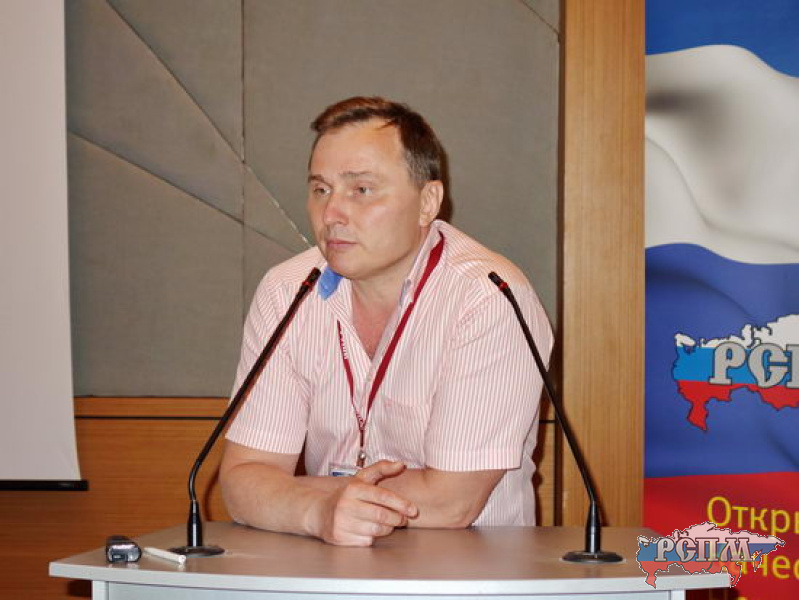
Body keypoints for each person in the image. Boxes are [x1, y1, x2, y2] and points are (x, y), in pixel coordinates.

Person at [220, 96, 553, 547]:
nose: (332, 214)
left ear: (427, 202)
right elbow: (242, 481)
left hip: (468, 571)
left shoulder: (487, 297)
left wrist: (295, 497)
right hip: (328, 567)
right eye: (321, 190)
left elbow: (450, 502)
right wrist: (317, 511)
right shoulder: (286, 292)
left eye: (361, 190)